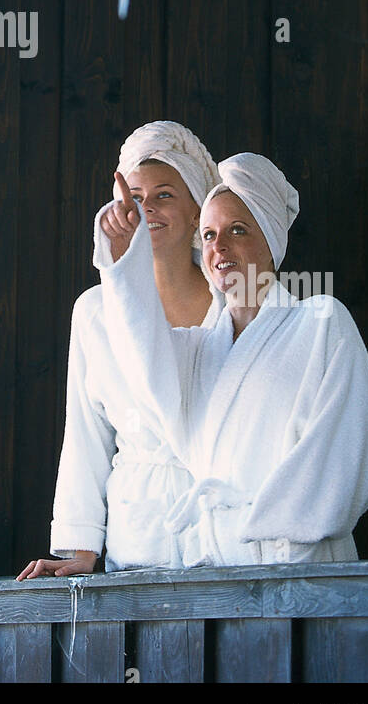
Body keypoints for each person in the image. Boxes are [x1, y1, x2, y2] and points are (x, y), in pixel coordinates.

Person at [93, 152, 368, 566]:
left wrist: (274, 539)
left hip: (297, 564)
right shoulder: (197, 349)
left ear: (271, 242)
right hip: (217, 566)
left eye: (238, 230)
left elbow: (344, 459)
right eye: (208, 235)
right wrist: (123, 258)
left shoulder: (321, 323)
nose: (219, 246)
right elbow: (139, 355)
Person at [17, 120, 220, 580]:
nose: (147, 208)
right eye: (135, 197)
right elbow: (85, 434)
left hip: (222, 537)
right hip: (138, 538)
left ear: (197, 211)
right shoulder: (95, 311)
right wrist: (81, 548)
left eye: (165, 194)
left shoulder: (232, 303)